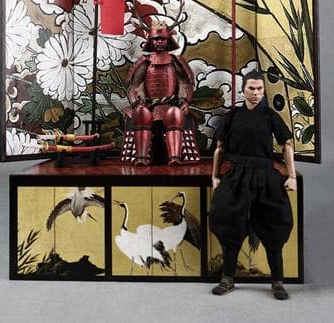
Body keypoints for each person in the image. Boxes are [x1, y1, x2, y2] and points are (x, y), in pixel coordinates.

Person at [209, 70, 297, 300]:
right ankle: (228, 278)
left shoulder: (269, 116)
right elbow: (220, 148)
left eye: (259, 89)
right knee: (227, 220)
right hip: (236, 174)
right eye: (251, 88)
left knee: (274, 223)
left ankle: (277, 282)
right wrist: (215, 176)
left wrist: (292, 176)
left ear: (263, 91)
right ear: (243, 90)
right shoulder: (232, 116)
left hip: (266, 175)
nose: (256, 93)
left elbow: (287, 145)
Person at [126, 19, 194, 166]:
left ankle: (174, 157)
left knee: (174, 114)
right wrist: (136, 103)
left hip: (171, 104)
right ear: (151, 41)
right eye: (156, 39)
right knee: (141, 114)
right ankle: (142, 158)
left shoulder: (175, 61)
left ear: (168, 40)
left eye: (162, 38)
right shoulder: (145, 62)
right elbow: (134, 87)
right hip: (149, 106)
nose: (159, 42)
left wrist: (185, 100)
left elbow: (185, 83)